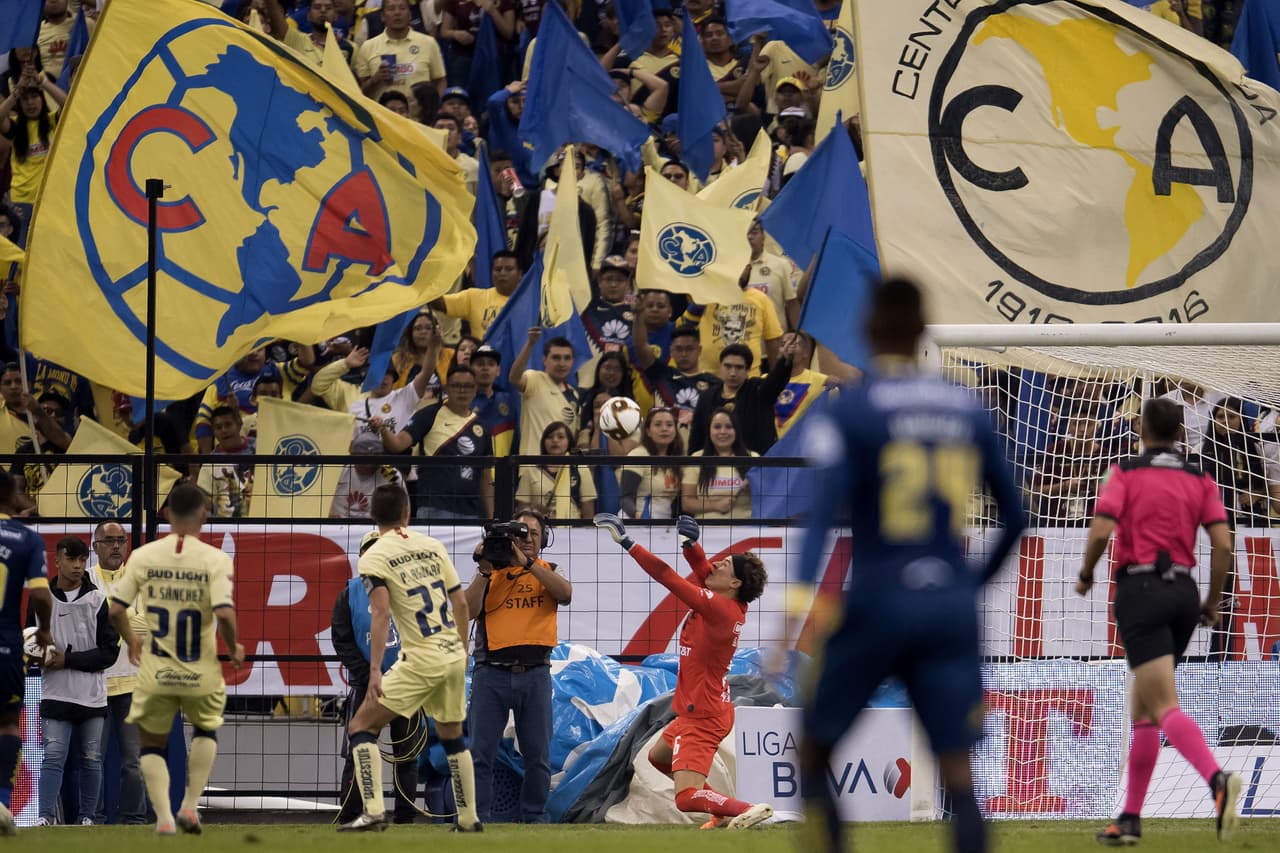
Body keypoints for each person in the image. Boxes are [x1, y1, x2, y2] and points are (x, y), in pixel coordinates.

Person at [789, 277, 1026, 853]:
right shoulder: (968, 407)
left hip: (877, 599)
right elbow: (1016, 516)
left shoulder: (858, 411)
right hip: (949, 607)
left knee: (814, 749)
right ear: (924, 331)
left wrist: (799, 602)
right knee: (958, 773)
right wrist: (970, 585)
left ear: (869, 331)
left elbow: (822, 517)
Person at [1077, 397, 1241, 845]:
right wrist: (1210, 600)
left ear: (1143, 430)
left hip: (1141, 590)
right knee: (1144, 709)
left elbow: (1102, 527)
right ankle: (1129, 819)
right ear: (1179, 433)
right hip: (1184, 594)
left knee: (1162, 703)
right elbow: (1224, 545)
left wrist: (1088, 572)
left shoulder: (1125, 471)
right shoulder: (1199, 477)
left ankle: (1216, 781)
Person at [593, 512, 771, 829]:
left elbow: (666, 576)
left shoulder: (716, 607)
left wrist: (627, 542)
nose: (715, 564)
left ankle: (748, 809)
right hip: (705, 708)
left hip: (702, 715)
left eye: (725, 564)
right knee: (658, 757)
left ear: (735, 583)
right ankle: (721, 810)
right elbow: (704, 570)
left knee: (685, 797)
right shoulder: (728, 600)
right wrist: (691, 546)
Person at [107, 483, 247, 835]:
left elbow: (115, 610)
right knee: (205, 730)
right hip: (200, 668)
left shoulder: (143, 556)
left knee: (151, 744)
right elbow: (226, 615)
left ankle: (165, 818)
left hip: (156, 668)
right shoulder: (215, 559)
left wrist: (132, 641)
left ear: (167, 514)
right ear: (203, 514)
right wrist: (233, 648)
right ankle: (189, 807)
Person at [339, 484, 480, 832]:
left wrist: (374, 671)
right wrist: (462, 652)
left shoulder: (372, 556)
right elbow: (460, 604)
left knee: (361, 727)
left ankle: (372, 812)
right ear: (407, 512)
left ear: (373, 516)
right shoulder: (431, 546)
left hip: (419, 659)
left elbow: (381, 614)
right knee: (452, 735)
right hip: (450, 655)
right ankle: (469, 819)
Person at [464, 508, 572, 824]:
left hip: (535, 672)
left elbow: (564, 594)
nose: (526, 539)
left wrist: (526, 564)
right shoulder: (492, 571)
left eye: (533, 534)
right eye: (520, 533)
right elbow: (469, 610)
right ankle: (477, 817)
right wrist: (484, 569)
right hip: (491, 673)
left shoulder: (548, 568)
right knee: (480, 753)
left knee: (538, 756)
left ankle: (534, 816)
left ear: (543, 540)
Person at [331, 531, 420, 825]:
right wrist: (365, 674)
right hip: (366, 686)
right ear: (361, 558)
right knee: (359, 749)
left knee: (406, 753)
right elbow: (342, 639)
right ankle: (351, 813)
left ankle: (405, 817)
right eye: (370, 551)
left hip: (405, 683)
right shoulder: (350, 592)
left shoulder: (410, 589)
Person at [34, 537, 118, 827]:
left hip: (91, 696)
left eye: (82, 560)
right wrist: (37, 658)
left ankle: (87, 818)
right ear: (57, 560)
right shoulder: (42, 597)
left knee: (92, 759)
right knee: (54, 756)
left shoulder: (97, 600)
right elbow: (30, 641)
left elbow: (109, 653)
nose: (78, 566)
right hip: (56, 693)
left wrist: (67, 660)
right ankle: (44, 816)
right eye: (72, 559)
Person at [0, 470, 53, 836]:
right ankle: (2, 802)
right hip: (5, 647)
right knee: (6, 725)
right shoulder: (27, 539)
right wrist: (45, 628)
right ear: (10, 497)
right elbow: (38, 593)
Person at [87, 521, 148, 826]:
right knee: (91, 760)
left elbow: (153, 626)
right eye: (108, 540)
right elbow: (83, 630)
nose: (115, 546)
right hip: (93, 685)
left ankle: (134, 819)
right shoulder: (84, 580)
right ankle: (92, 819)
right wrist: (127, 617)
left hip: (133, 683)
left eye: (120, 540)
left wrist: (109, 618)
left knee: (133, 762)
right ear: (94, 546)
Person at [509, 329, 581, 456]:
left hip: (562, 471)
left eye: (567, 358)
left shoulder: (574, 394)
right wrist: (530, 344)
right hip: (533, 468)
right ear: (544, 360)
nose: (562, 363)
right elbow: (514, 378)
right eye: (556, 358)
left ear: (572, 362)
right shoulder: (535, 379)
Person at [681, 407, 757, 519]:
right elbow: (687, 503)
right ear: (709, 431)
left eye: (729, 427)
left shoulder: (753, 458)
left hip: (745, 531)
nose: (723, 431)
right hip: (706, 530)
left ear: (736, 430)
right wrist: (715, 505)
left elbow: (768, 496)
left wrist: (753, 486)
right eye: (717, 427)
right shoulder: (697, 458)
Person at [516, 422, 597, 519]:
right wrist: (535, 511)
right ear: (543, 442)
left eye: (560, 437)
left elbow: (588, 512)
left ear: (569, 441)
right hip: (540, 528)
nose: (555, 440)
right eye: (550, 437)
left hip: (573, 530)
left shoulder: (581, 469)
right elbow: (522, 511)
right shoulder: (531, 471)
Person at [620, 407, 683, 519]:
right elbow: (625, 498)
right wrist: (640, 517)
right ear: (648, 431)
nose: (664, 429)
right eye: (658, 424)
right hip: (637, 522)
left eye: (669, 425)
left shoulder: (676, 459)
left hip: (665, 525)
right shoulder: (638, 455)